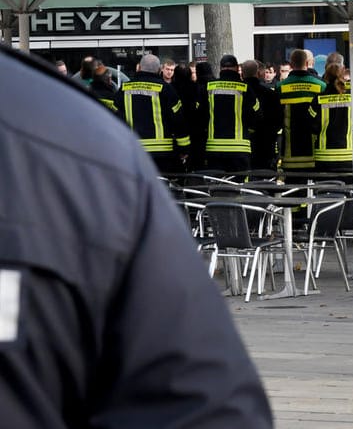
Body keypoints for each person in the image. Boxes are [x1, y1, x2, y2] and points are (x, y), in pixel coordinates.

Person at [0, 45, 272, 425]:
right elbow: (199, 397)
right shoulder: (69, 136)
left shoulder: (120, 93)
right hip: (176, 158)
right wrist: (181, 152)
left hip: (152, 152)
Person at [113, 53, 189, 173]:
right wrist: (184, 148)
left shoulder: (124, 89)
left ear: (139, 68)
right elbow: (178, 120)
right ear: (159, 70)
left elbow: (114, 117)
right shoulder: (166, 89)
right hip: (162, 153)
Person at [201, 54, 262, 174]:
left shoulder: (209, 87)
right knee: (239, 187)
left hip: (214, 148)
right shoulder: (245, 88)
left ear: (220, 68)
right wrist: (249, 130)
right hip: (239, 148)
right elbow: (257, 114)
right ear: (237, 68)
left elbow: (199, 115)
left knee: (217, 187)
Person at [275, 48, 325, 171]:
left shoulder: (281, 87)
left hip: (289, 154)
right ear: (307, 64)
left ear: (291, 65)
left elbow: (276, 118)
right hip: (315, 153)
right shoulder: (321, 86)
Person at [307, 63, 353, 173]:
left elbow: (311, 125)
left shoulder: (318, 99)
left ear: (326, 77)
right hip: (347, 156)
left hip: (324, 157)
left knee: (324, 189)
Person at [241, 59, 281, 172]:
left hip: (242, 145)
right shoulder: (270, 94)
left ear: (242, 73)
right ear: (259, 73)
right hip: (266, 145)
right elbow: (278, 121)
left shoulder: (238, 93)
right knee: (265, 181)